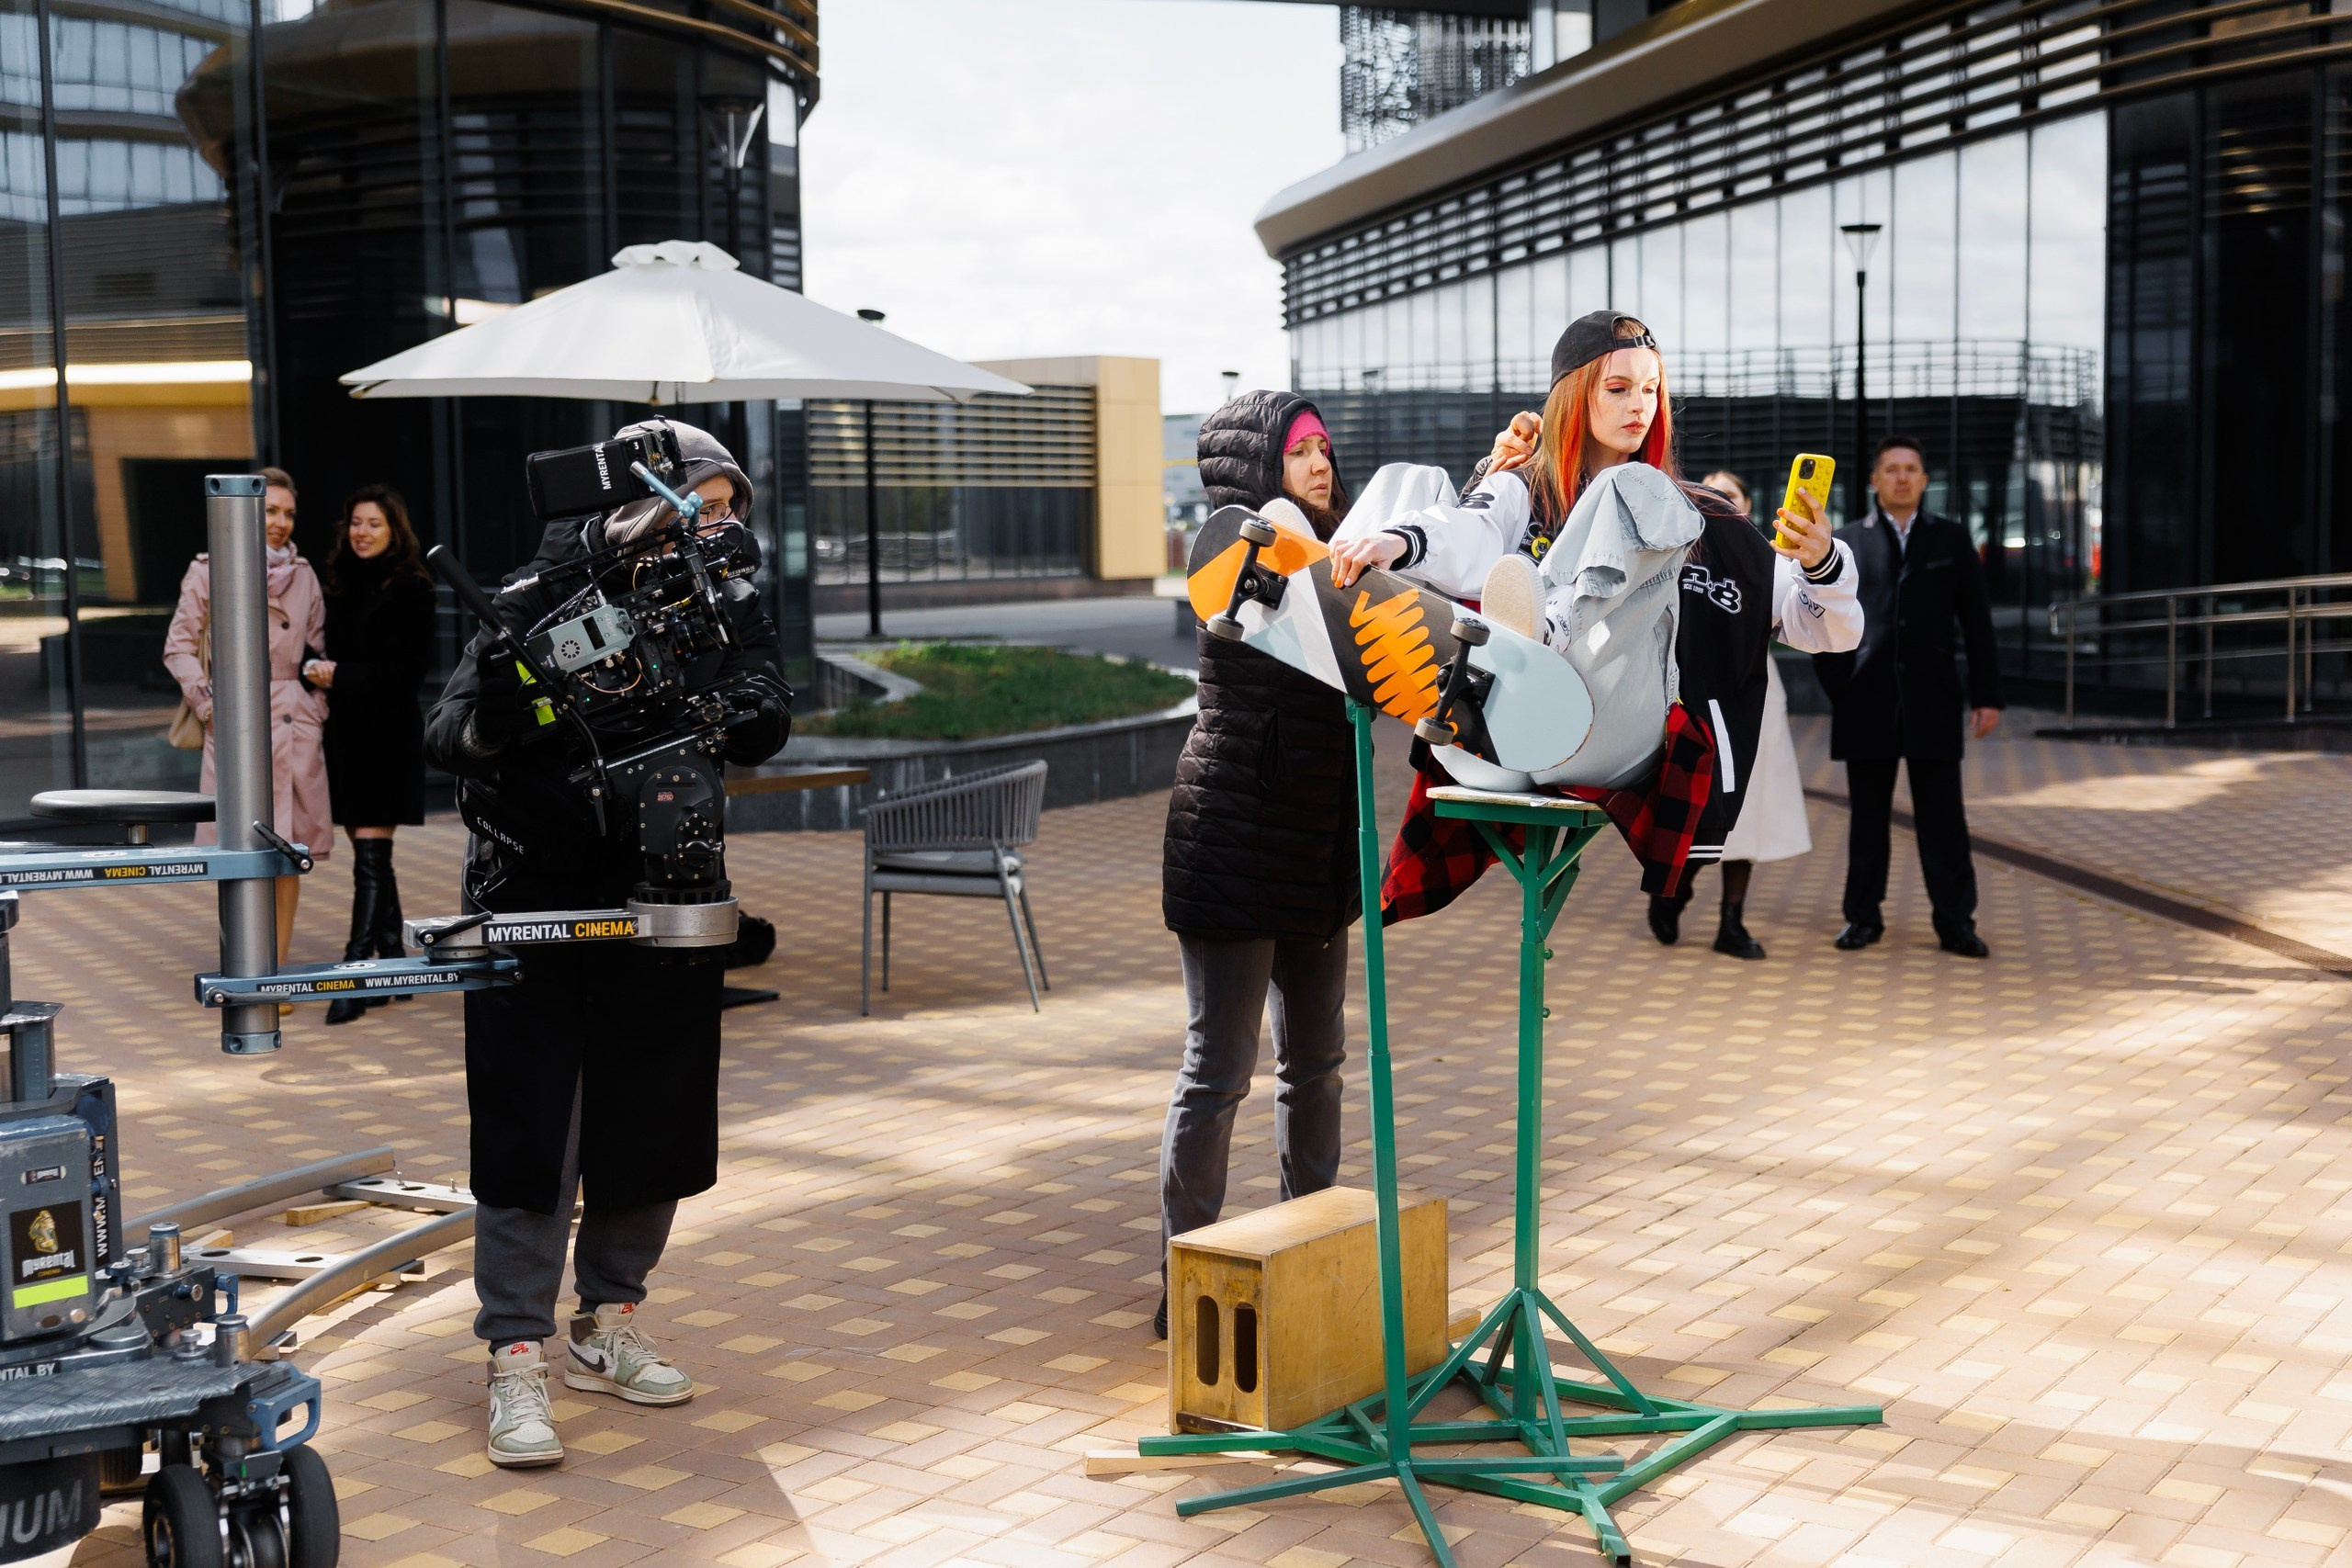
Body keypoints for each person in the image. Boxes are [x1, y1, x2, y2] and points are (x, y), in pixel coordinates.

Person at [424, 419, 792, 1469]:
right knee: (533, 1133)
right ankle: (515, 1356)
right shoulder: (531, 598)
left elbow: (767, 713)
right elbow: (448, 736)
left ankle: (609, 1320)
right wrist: (503, 709)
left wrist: (729, 705)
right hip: (531, 905)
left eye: (732, 512)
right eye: (705, 504)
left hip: (669, 901)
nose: (719, 530)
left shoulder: (725, 607)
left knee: (653, 1125)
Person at [1331, 312, 1860, 897]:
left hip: (1610, 739)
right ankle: (1335, 578)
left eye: (1651, 390)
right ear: (1573, 398)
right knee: (1410, 482)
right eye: (1618, 388)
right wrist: (1393, 541)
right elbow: (1469, 532)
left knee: (1628, 493)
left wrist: (1820, 562)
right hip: (1497, 746)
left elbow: (1827, 630)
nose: (1640, 405)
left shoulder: (1700, 516)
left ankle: (1550, 628)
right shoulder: (1520, 487)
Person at [1157, 391, 1355, 1341]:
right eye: (1299, 449)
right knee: (1220, 1070)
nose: (1319, 463)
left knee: (1315, 1065)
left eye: (1324, 447)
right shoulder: (1244, 547)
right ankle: (1188, 1275)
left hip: (1312, 842)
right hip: (1234, 838)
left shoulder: (1337, 550)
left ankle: (1307, 1252)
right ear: (1257, 466)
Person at [1814, 434, 2002, 957]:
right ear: (1875, 480)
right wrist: (1840, 687)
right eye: (1891, 469)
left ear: (1924, 480)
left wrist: (1988, 696)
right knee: (1868, 821)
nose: (1901, 477)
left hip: (1934, 700)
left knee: (1944, 819)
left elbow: (1978, 623)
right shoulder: (1846, 542)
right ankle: (1862, 919)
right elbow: (1821, 616)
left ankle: (1956, 923)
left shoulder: (1952, 540)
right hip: (1865, 701)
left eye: (1911, 469)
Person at [162, 465, 328, 987]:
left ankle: (272, 975)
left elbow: (318, 653)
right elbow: (178, 648)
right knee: (238, 855)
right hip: (235, 725)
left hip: (292, 724)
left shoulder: (303, 574)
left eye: (288, 513)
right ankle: (243, 968)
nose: (280, 522)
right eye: (270, 510)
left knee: (287, 854)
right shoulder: (211, 570)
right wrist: (212, 708)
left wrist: (315, 707)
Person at [1645, 469, 1815, 960]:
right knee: (1703, 801)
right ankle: (1675, 890)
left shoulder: (1760, 561)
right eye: (1710, 497)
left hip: (1754, 694)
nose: (1719, 506)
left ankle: (1731, 920)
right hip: (1694, 694)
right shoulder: (1678, 556)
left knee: (1752, 811)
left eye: (1731, 498)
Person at [305, 486, 435, 1025]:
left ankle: (356, 973)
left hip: (385, 734)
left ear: (393, 530)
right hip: (345, 735)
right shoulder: (336, 585)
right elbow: (312, 651)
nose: (362, 532)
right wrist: (311, 670)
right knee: (370, 852)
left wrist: (338, 674)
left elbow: (408, 674)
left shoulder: (412, 588)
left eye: (373, 524)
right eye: (356, 522)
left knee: (371, 858)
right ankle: (396, 965)